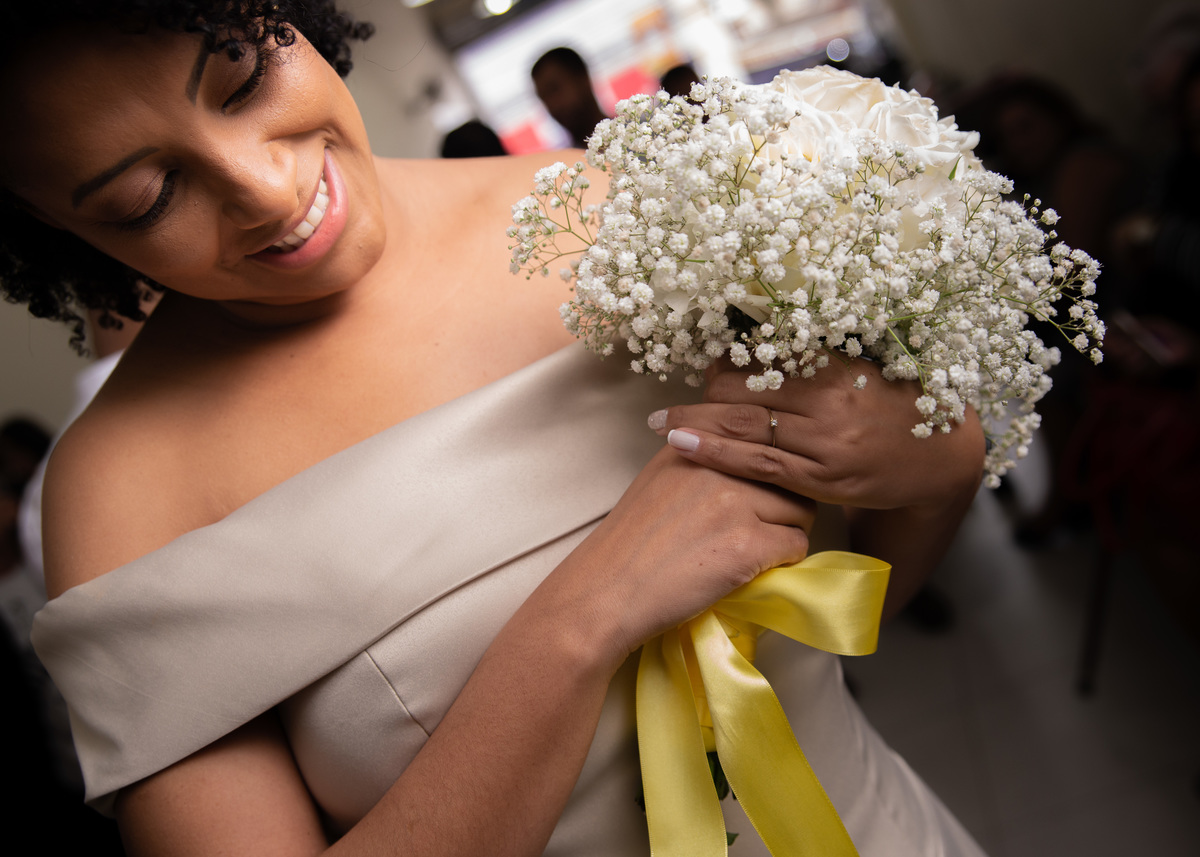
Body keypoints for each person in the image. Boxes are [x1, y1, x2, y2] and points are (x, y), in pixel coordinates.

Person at [1, 3, 987, 855]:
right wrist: (582, 617)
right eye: (147, 198)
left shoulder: (619, 206)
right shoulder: (123, 489)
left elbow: (851, 619)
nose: (263, 189)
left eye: (245, 80)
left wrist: (933, 461)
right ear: (53, 230)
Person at [531, 47, 609, 149]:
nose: (552, 104)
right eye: (543, 98)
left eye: (554, 89)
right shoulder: (569, 163)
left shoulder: (633, 133)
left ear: (582, 78)